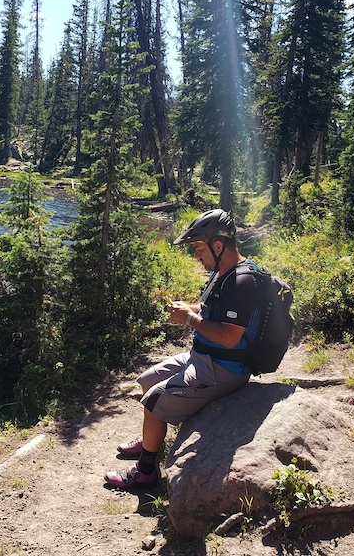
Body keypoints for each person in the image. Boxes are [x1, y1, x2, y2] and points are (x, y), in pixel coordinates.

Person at [104, 209, 260, 490]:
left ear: (217, 245)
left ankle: (146, 472)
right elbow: (213, 310)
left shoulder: (242, 282)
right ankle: (151, 439)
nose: (196, 255)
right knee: (147, 381)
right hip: (204, 357)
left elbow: (229, 336)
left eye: (199, 248)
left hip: (224, 368)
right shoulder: (223, 273)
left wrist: (189, 319)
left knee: (153, 400)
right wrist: (191, 308)